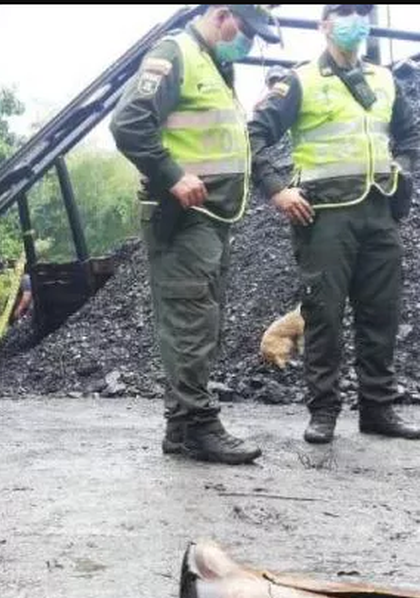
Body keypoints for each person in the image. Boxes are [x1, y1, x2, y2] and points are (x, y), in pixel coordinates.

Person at [109, 5, 280, 464]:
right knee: (191, 320)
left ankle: (181, 428)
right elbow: (128, 124)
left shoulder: (215, 65)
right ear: (222, 14)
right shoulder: (176, 53)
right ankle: (200, 426)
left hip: (212, 217)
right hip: (183, 217)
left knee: (201, 320)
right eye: (246, 29)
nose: (250, 41)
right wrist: (171, 174)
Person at [249, 3, 420, 444]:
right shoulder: (301, 81)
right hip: (323, 216)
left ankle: (378, 409)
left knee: (381, 314)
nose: (355, 21)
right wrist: (277, 190)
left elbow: (409, 134)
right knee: (323, 315)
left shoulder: (384, 80)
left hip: (379, 214)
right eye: (344, 12)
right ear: (325, 25)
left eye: (362, 12)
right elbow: (253, 136)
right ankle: (323, 412)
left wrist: (402, 169)